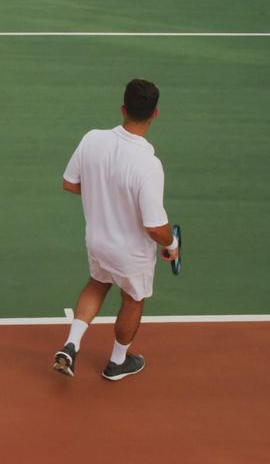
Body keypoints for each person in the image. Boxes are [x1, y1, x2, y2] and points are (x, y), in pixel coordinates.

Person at [52, 78, 179, 381]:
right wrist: (172, 244)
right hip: (131, 253)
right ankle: (117, 363)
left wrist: (103, 193)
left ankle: (71, 345)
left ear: (122, 108)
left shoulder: (92, 139)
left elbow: (70, 183)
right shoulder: (149, 164)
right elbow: (154, 226)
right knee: (133, 300)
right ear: (155, 114)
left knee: (97, 283)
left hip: (97, 240)